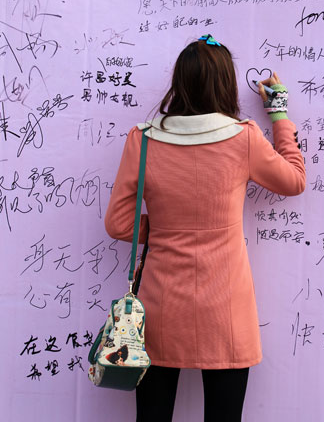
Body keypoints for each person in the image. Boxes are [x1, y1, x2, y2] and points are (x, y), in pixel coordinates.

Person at [104, 35, 306, 422]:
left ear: (179, 82)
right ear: (225, 84)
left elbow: (117, 224)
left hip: (161, 307)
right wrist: (278, 114)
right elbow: (294, 181)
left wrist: (165, 229)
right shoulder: (244, 138)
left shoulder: (143, 140)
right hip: (226, 307)